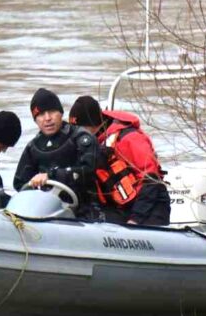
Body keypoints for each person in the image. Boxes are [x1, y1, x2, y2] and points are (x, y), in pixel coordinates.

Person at [68, 95, 171, 226]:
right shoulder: (90, 145)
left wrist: (135, 220)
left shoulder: (130, 138)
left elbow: (151, 180)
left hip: (150, 208)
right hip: (120, 207)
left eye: (81, 130)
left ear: (95, 125)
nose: (77, 136)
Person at [13, 88, 99, 213]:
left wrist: (51, 176)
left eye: (52, 112)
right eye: (41, 114)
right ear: (35, 120)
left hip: (84, 209)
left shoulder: (81, 138)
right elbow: (20, 183)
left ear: (61, 113)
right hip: (44, 210)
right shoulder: (33, 147)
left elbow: (88, 170)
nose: (47, 118)